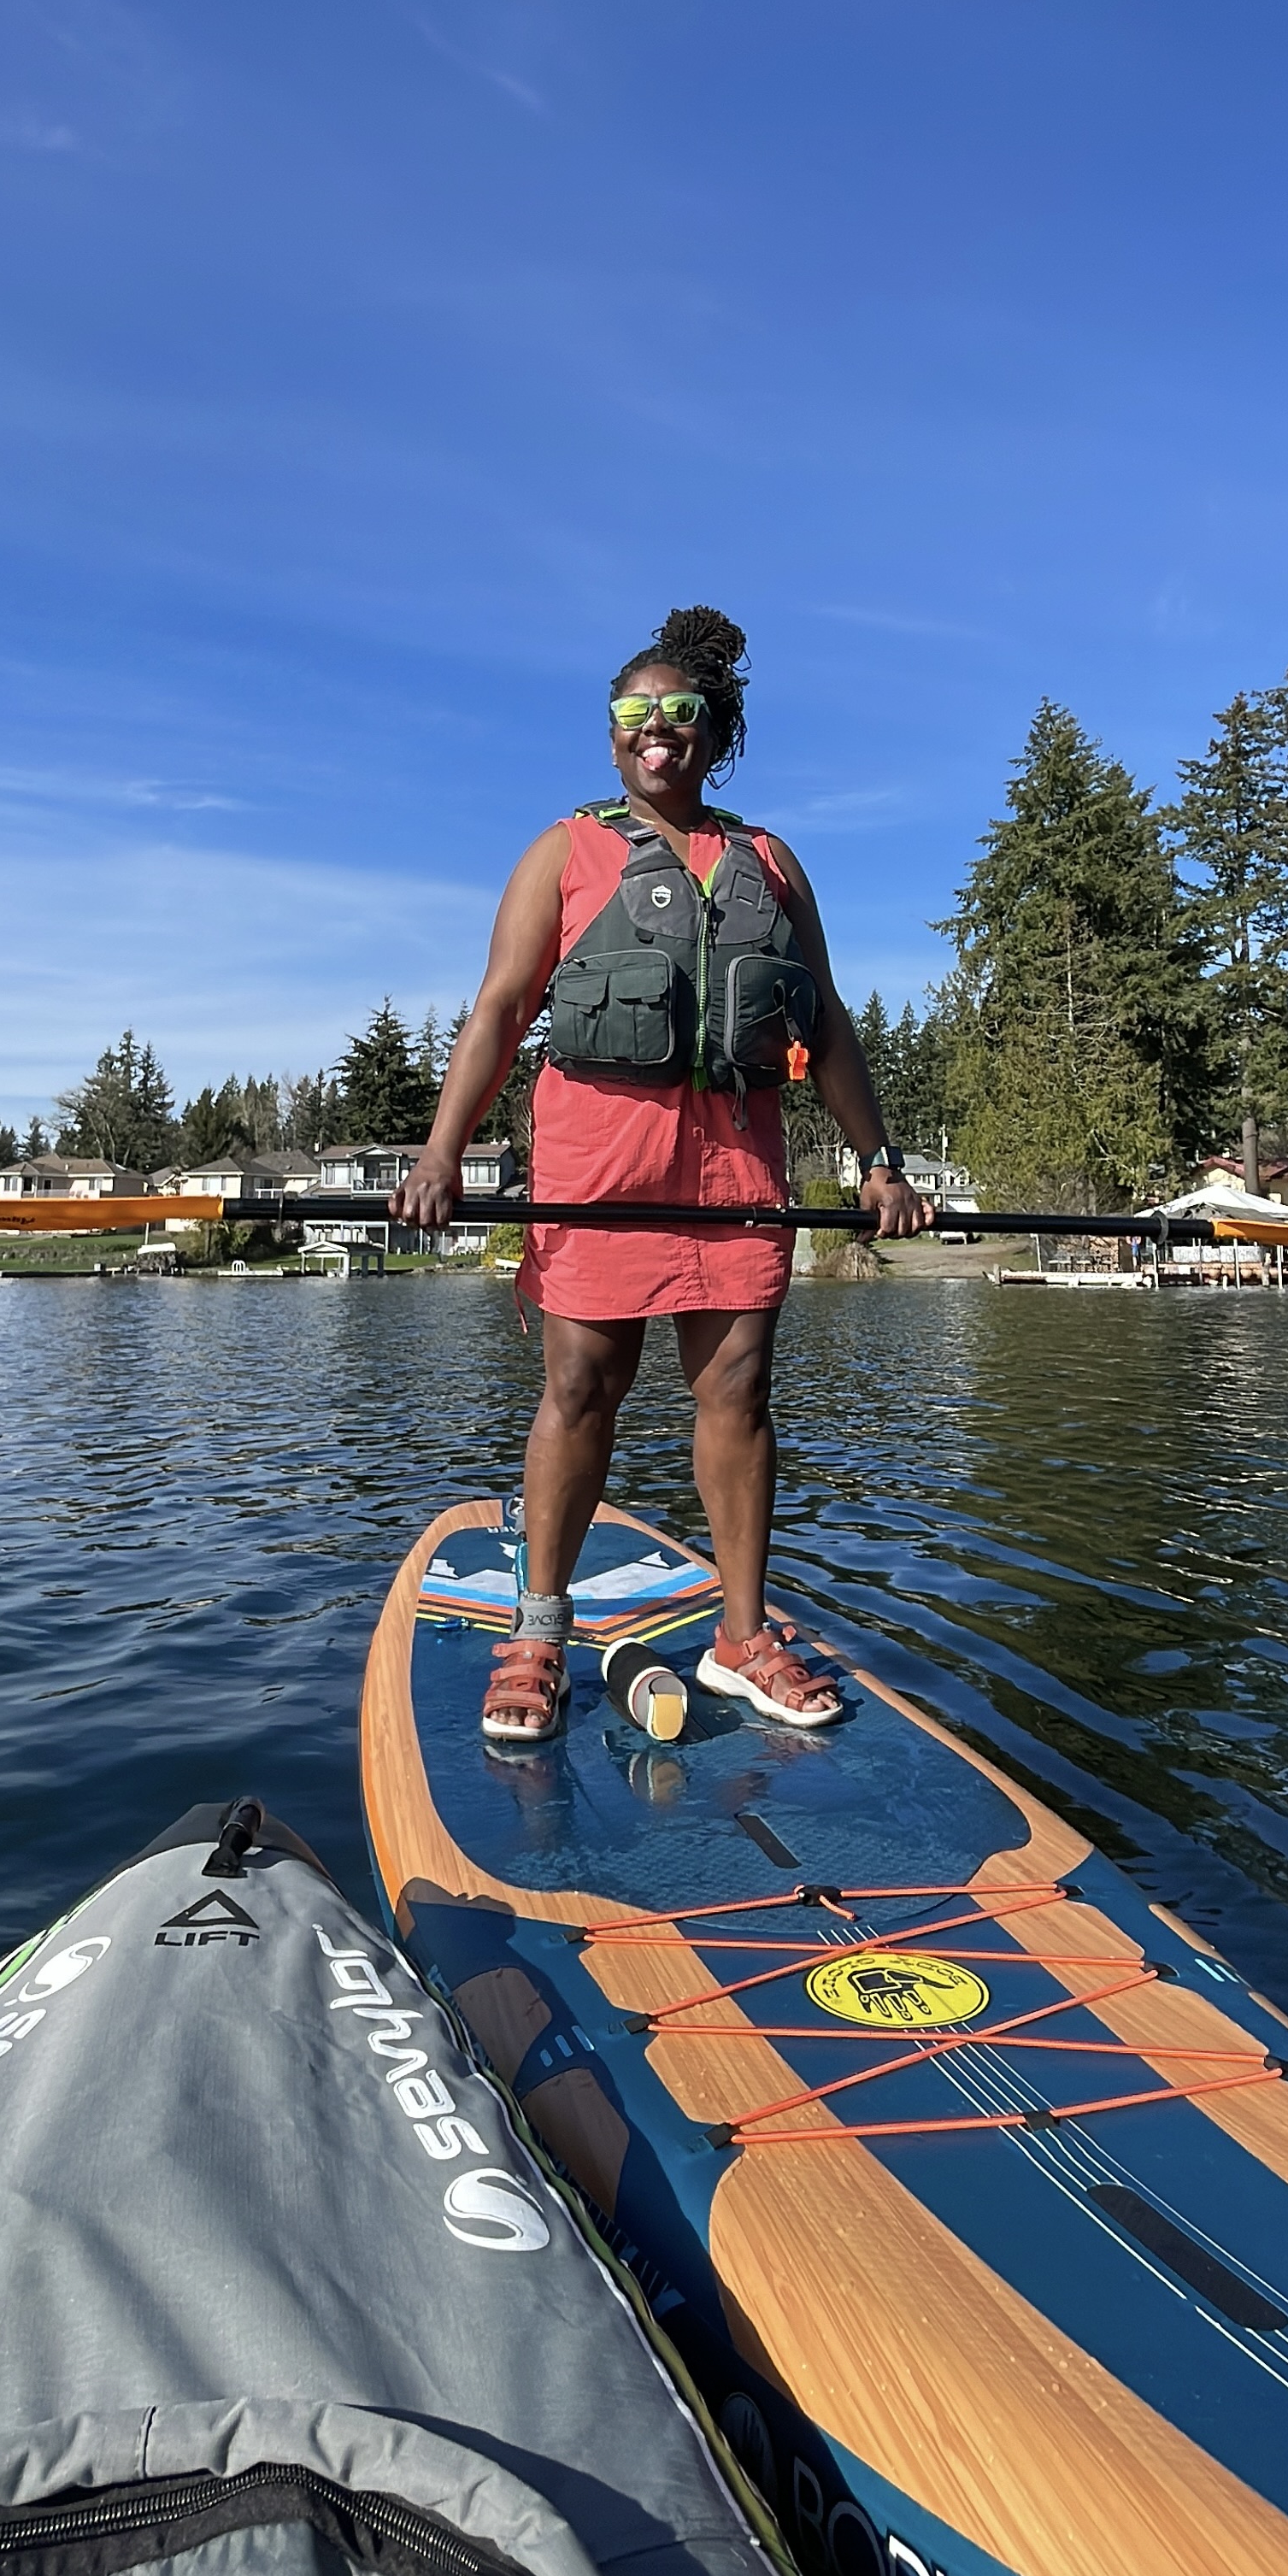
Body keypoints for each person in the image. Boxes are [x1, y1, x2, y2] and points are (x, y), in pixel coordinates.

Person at [393, 607, 932, 1744]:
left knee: (738, 1389)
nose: (655, 730)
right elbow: (500, 1009)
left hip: (735, 1166)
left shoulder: (770, 863)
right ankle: (538, 1631)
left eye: (678, 712)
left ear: (713, 731)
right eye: (632, 714)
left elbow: (826, 1023)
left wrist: (879, 1162)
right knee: (581, 1387)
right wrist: (442, 1150)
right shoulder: (563, 852)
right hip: (600, 1164)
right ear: (610, 735)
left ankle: (741, 1636)